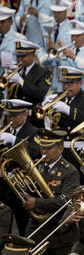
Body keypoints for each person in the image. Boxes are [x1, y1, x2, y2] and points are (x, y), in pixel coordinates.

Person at [24, 129, 80, 255]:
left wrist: (37, 203)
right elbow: (27, 194)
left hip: (61, 235)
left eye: (48, 148)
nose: (44, 151)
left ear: (60, 149)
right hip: (36, 232)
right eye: (42, 147)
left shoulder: (70, 171)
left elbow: (65, 201)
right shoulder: (36, 167)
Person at [42, 66, 84, 168]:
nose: (66, 88)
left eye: (70, 84)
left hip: (78, 149)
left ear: (80, 84)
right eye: (64, 84)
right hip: (58, 149)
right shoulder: (56, 96)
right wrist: (43, 106)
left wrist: (68, 110)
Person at [0, 99, 40, 235]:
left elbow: (37, 151)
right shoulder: (3, 131)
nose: (11, 119)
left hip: (21, 187)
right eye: (8, 115)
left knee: (23, 225)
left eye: (15, 115)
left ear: (25, 114)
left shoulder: (34, 131)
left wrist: (14, 140)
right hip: (3, 184)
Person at [4, 40, 52, 110]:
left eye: (23, 56)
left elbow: (40, 93)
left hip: (30, 114)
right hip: (12, 111)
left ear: (32, 55)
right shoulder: (14, 69)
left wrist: (20, 81)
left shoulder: (44, 72)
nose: (20, 59)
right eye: (18, 56)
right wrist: (5, 79)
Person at [39, 0, 73, 92]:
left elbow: (73, 51)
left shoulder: (72, 28)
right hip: (47, 70)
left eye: (59, 12)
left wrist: (57, 51)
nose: (56, 15)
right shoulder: (46, 24)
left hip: (62, 72)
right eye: (54, 12)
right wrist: (44, 57)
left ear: (66, 12)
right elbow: (40, 45)